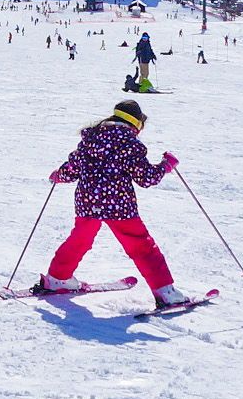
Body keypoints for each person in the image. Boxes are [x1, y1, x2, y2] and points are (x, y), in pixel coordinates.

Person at [35, 100, 190, 308]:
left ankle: (57, 278)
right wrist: (166, 166)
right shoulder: (130, 144)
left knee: (79, 239)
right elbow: (146, 178)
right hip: (118, 205)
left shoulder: (90, 138)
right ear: (136, 124)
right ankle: (165, 292)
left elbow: (73, 168)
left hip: (88, 201)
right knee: (141, 246)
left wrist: (59, 175)